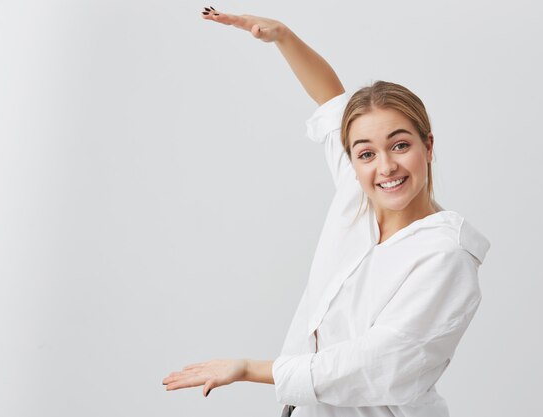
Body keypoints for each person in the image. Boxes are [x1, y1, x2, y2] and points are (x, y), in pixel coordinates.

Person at [162, 8, 491, 417]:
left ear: (428, 145)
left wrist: (250, 369)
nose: (385, 167)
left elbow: (380, 363)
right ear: (352, 160)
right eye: (366, 152)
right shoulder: (356, 194)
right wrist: (283, 36)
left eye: (401, 145)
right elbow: (331, 99)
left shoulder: (446, 254)